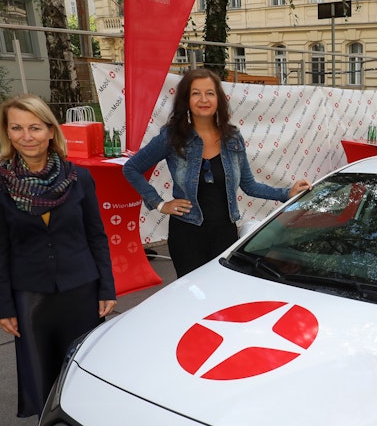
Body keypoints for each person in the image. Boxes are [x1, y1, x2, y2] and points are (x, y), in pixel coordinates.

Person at [0, 94, 117, 419]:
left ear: (50, 131)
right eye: (17, 128)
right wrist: (3, 306)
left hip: (81, 287)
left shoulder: (78, 178)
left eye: (35, 127)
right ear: (7, 133)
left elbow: (96, 235)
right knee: (40, 370)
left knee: (82, 365)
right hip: (30, 293)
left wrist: (106, 287)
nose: (27, 136)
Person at [123, 69, 311, 276]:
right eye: (196, 93)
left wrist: (286, 193)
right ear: (186, 99)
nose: (203, 99)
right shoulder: (172, 136)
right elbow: (131, 168)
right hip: (187, 234)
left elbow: (249, 186)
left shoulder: (232, 138)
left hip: (225, 233)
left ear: (218, 99)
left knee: (221, 294)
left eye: (210, 93)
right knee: (192, 297)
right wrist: (159, 204)